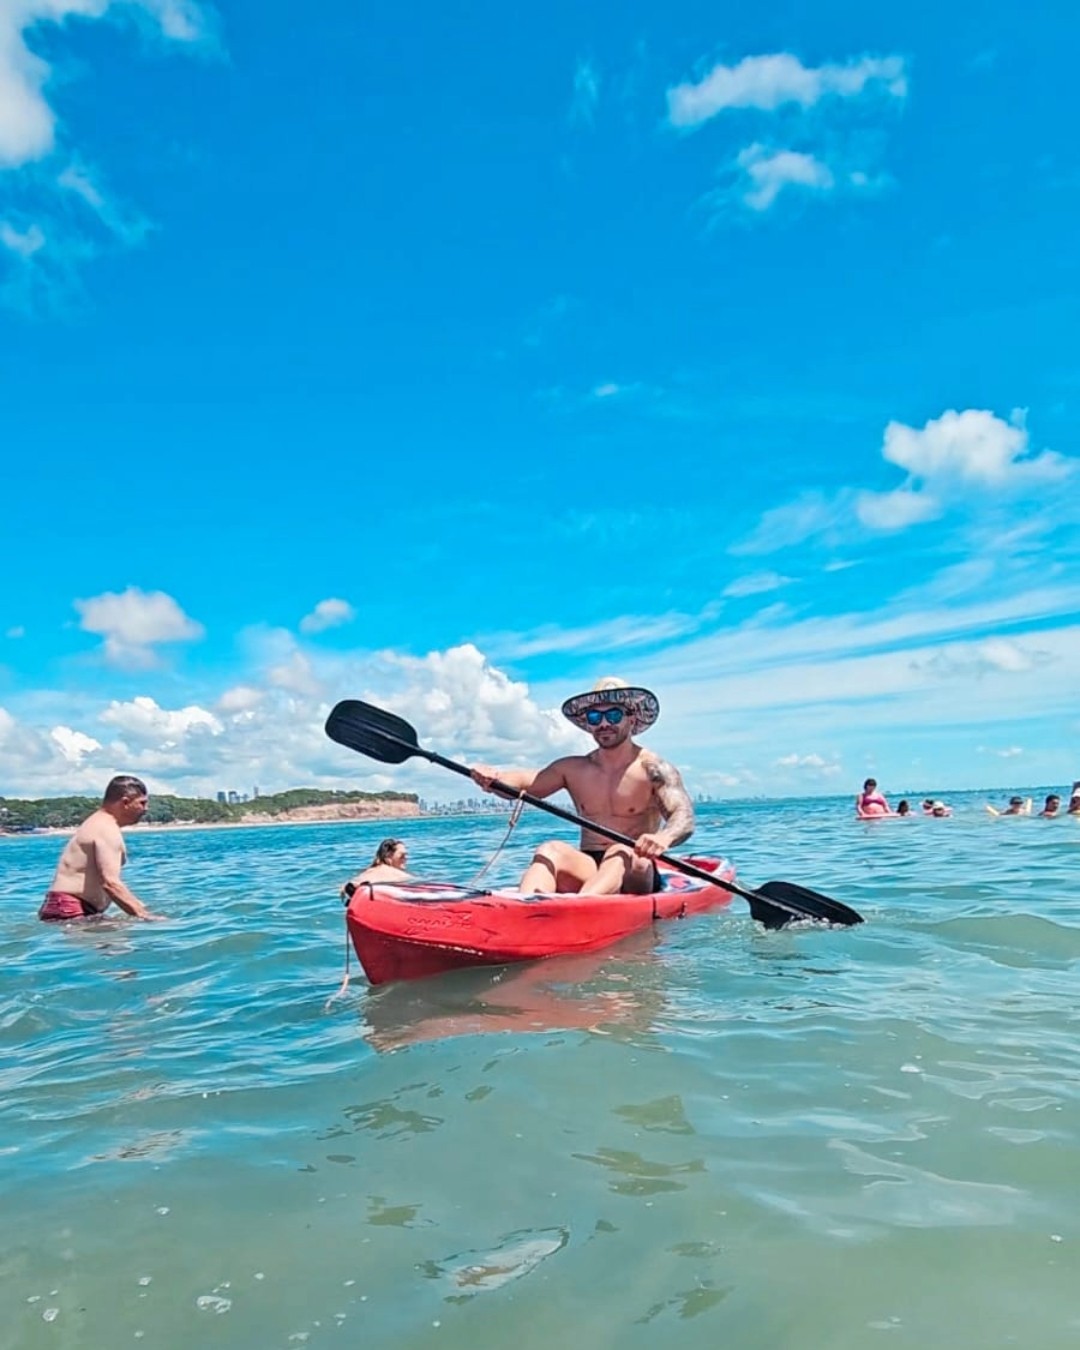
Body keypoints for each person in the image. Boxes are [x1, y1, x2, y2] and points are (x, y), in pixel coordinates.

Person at [469, 677, 693, 896]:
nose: (604, 723)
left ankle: (580, 910)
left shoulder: (653, 769)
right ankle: (524, 912)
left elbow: (683, 816)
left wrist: (663, 838)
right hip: (590, 866)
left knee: (620, 851)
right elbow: (525, 783)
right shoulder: (573, 768)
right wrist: (493, 777)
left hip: (636, 870)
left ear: (631, 720)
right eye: (595, 717)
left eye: (613, 715)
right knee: (550, 850)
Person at [39, 775, 161, 921]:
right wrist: (146, 916)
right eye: (142, 803)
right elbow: (110, 883)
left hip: (65, 905)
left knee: (115, 939)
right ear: (125, 802)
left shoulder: (97, 823)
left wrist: (137, 904)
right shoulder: (107, 830)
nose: (145, 809)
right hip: (71, 908)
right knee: (121, 939)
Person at [341, 838, 413, 898]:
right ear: (389, 855)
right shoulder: (397, 874)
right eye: (402, 855)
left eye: (406, 855)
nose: (406, 858)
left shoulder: (367, 872)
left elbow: (346, 887)